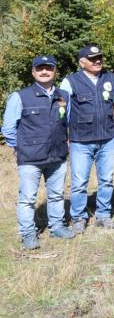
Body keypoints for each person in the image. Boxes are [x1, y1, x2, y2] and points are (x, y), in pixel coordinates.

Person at [2, 55, 74, 249]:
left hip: (57, 156)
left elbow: (66, 122)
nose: (44, 71)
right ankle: (28, 234)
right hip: (30, 159)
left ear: (55, 71)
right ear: (33, 72)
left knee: (57, 195)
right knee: (27, 199)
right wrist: (19, 148)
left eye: (48, 68)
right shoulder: (20, 96)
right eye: (40, 68)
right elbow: (8, 128)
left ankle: (57, 227)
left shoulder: (63, 96)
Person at [61, 45, 114, 233]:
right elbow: (63, 112)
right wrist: (65, 137)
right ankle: (78, 217)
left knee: (106, 179)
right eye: (92, 58)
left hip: (107, 138)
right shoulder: (70, 81)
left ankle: (103, 215)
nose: (98, 61)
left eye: (99, 57)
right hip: (80, 140)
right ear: (82, 62)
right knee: (79, 182)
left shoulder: (111, 78)